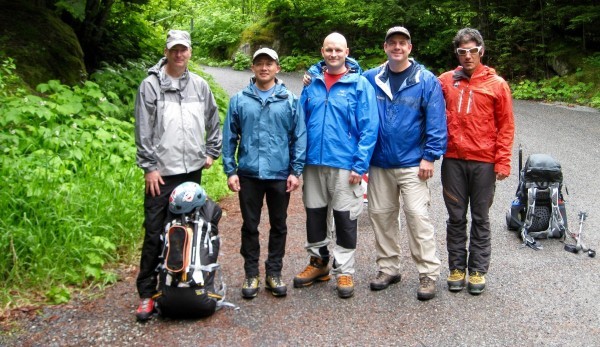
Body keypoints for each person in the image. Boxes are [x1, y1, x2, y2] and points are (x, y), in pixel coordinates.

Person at [134, 29, 222, 321]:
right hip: (161, 173)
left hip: (192, 172)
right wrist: (149, 167)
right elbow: (143, 130)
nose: (179, 54)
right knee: (154, 231)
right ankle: (147, 294)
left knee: (187, 232)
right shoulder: (150, 86)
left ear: (190, 52)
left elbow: (213, 119)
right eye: (174, 49)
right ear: (167, 50)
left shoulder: (199, 85)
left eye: (183, 49)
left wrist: (211, 152)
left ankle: (181, 283)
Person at [362, 26, 447, 301]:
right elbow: (339, 71)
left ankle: (428, 274)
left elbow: (436, 122)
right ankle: (389, 269)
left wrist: (430, 156)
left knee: (417, 217)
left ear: (410, 47)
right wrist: (313, 74)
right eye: (392, 43)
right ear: (385, 47)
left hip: (414, 163)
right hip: (379, 162)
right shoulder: (371, 78)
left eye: (402, 43)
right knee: (381, 216)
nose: (397, 47)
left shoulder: (426, 80)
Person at [294, 32, 379, 299]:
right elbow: (300, 124)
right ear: (322, 52)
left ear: (346, 52)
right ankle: (319, 263)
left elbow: (369, 127)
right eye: (329, 50)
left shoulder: (359, 85)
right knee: (315, 214)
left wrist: (360, 164)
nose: (333, 54)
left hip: (345, 164)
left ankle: (345, 270)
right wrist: (297, 162)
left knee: (345, 218)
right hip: (313, 162)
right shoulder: (312, 84)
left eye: (338, 50)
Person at [223, 48, 307, 299]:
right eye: (259, 63)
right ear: (253, 68)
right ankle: (251, 274)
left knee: (279, 225)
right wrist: (230, 170)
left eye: (269, 63)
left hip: (280, 174)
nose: (264, 68)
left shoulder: (289, 100)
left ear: (277, 68)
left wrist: (296, 171)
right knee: (250, 226)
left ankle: (274, 272)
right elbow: (229, 137)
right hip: (249, 174)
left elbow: (298, 137)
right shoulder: (239, 100)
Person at [438, 28, 515, 295]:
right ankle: (456, 268)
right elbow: (417, 90)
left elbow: (506, 126)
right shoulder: (446, 81)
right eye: (462, 51)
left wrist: (503, 161)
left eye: (472, 50)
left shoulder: (497, 84)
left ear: (481, 51)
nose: (468, 56)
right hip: (453, 160)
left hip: (484, 161)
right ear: (456, 53)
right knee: (456, 217)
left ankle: (478, 270)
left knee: (480, 217)